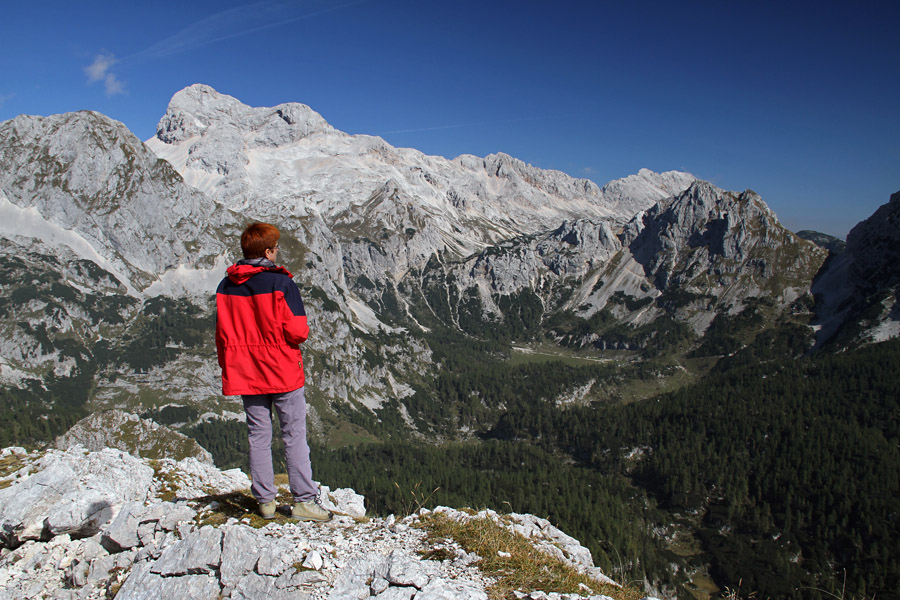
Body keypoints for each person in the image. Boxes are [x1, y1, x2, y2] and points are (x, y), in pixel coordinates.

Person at [215, 222, 332, 522]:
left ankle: (265, 502)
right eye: (276, 248)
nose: (278, 252)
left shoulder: (226, 286)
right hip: (281, 370)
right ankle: (304, 501)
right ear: (267, 252)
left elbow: (223, 334)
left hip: (246, 371)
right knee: (293, 434)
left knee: (258, 434)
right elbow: (298, 331)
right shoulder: (281, 283)